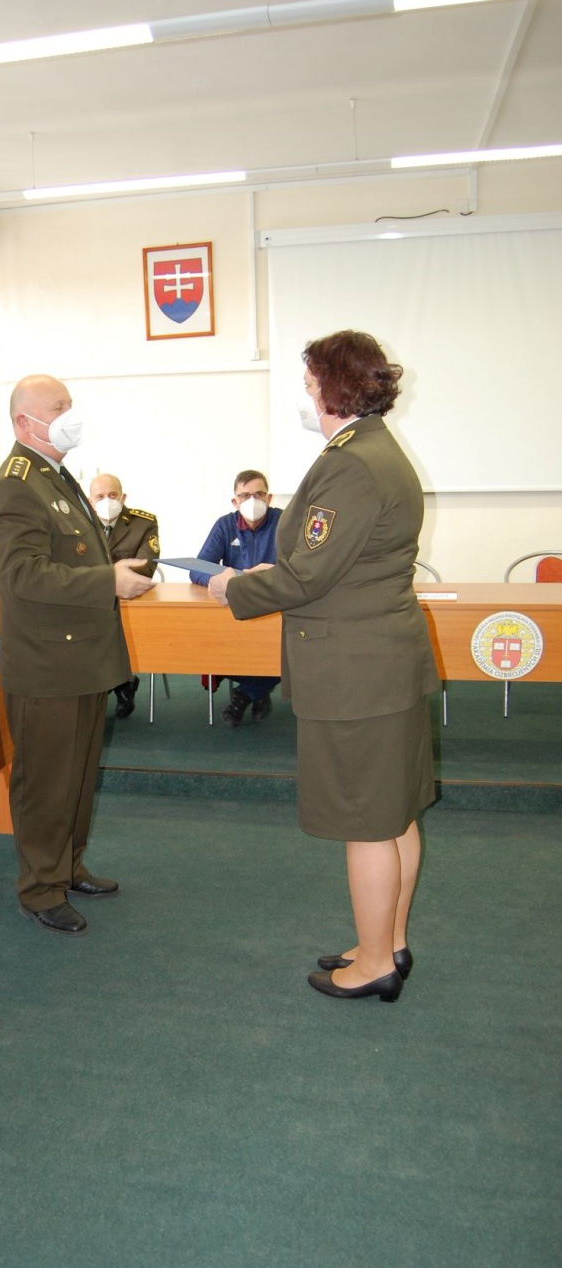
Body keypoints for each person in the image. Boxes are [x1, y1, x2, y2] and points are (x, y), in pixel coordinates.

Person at [209, 331, 438, 1003]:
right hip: (381, 662)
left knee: (366, 821)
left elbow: (307, 574)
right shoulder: (380, 449)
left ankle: (374, 963)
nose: (306, 397)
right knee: (395, 814)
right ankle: (387, 941)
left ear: (334, 388)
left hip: (354, 673)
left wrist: (234, 588)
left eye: (310, 385)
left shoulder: (351, 463)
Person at [0, 374, 155, 936]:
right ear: (25, 421)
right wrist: (108, 580)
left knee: (76, 778)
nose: (70, 415)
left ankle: (68, 867)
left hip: (80, 660)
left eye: (69, 405)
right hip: (46, 665)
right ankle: (40, 887)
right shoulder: (14, 486)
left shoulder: (53, 476)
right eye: (58, 407)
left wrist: (110, 574)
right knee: (46, 783)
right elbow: (24, 574)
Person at [189, 469, 282, 725]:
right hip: (234, 609)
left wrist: (275, 573)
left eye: (259, 494)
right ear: (235, 501)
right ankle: (259, 692)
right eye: (245, 495)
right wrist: (220, 579)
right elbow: (198, 568)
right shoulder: (225, 525)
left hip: (274, 608)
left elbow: (301, 566)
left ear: (269, 497)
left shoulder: (285, 522)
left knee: (285, 650)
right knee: (218, 649)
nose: (252, 500)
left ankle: (244, 695)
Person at [89, 472, 160, 717]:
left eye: (112, 495)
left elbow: (145, 568)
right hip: (92, 602)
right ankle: (120, 683)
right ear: (90, 501)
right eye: (100, 496)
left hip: (130, 601)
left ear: (123, 497)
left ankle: (120, 682)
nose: (107, 501)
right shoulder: (79, 524)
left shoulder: (144, 522)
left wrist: (97, 580)